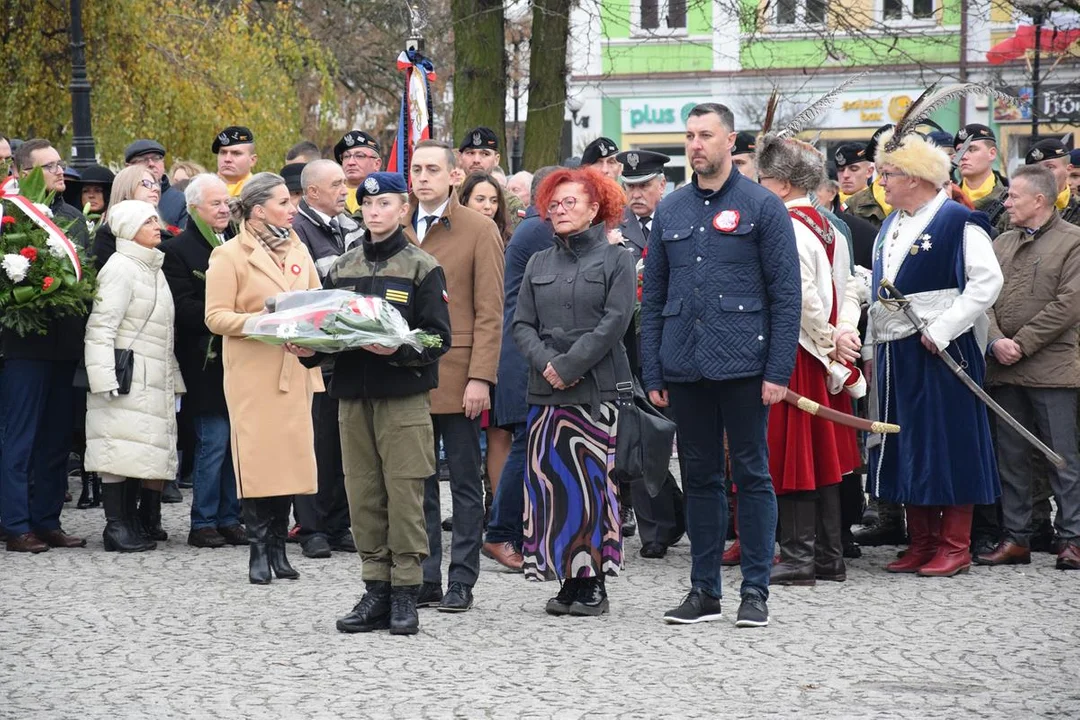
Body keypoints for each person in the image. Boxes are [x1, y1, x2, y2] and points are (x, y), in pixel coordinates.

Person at [640, 103, 801, 628]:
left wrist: (778, 371)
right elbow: (656, 294)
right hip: (685, 365)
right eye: (689, 136)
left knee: (752, 475)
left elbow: (786, 295)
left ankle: (755, 591)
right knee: (701, 477)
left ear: (730, 141)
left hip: (746, 365)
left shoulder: (762, 206)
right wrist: (654, 371)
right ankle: (703, 590)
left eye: (705, 135)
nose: (695, 145)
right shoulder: (672, 209)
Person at [296, 171, 451, 636]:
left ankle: (406, 591)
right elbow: (333, 334)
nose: (375, 212)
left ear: (404, 210)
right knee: (362, 496)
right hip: (352, 397)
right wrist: (309, 351)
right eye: (367, 205)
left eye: (385, 205)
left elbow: (439, 336)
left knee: (404, 495)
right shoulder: (342, 268)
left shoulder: (422, 266)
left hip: (402, 398)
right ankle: (375, 588)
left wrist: (399, 350)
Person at [866, 126, 1003, 578]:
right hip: (895, 351)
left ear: (914, 177)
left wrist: (943, 329)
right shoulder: (891, 223)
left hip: (942, 350)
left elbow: (987, 282)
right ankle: (921, 541)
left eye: (888, 173)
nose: (880, 182)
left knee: (949, 442)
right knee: (907, 441)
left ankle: (954, 544)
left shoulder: (957, 221)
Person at [512, 165, 636, 616]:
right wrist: (547, 364)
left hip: (595, 394)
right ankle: (568, 578)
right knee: (553, 489)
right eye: (554, 204)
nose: (560, 210)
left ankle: (594, 583)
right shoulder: (537, 262)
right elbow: (521, 322)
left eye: (570, 203)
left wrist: (569, 365)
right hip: (546, 394)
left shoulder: (617, 259)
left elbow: (615, 323)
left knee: (592, 491)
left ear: (595, 208)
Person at [204, 172, 322, 585]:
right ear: (259, 210)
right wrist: (263, 322)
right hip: (254, 372)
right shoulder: (230, 255)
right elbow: (215, 316)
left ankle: (278, 546)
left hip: (294, 368)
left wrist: (313, 334)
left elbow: (315, 302)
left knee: (290, 460)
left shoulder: (298, 249)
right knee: (258, 461)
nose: (292, 209)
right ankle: (257, 547)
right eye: (284, 202)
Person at [755, 134, 863, 586]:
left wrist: (827, 339)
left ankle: (800, 558)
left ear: (779, 183)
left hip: (799, 350)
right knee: (821, 452)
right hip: (823, 351)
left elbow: (802, 299)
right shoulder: (826, 224)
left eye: (761, 178)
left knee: (795, 453)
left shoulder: (788, 227)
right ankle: (828, 556)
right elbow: (849, 286)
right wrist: (845, 334)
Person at [404, 140, 505, 613]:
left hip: (460, 374)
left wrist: (481, 377)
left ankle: (461, 579)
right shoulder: (398, 226)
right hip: (405, 375)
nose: (423, 177)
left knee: (465, 483)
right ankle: (425, 576)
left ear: (453, 177)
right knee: (418, 481)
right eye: (416, 169)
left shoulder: (479, 229)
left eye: (432, 169)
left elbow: (490, 311)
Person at [976, 165, 1080, 571]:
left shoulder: (1073, 242)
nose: (1006, 202)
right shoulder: (1001, 242)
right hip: (1003, 368)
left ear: (1040, 199)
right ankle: (1015, 537)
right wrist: (994, 339)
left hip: (1052, 369)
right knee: (1011, 458)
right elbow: (982, 295)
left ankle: (1072, 538)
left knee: (1061, 457)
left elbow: (1069, 303)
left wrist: (1021, 343)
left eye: (1013, 196)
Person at [0, 139, 89, 553]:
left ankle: (47, 519)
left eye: (60, 164)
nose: (60, 171)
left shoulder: (71, 217)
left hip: (65, 343)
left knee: (56, 439)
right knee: (20, 438)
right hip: (23, 345)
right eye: (49, 166)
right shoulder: (9, 216)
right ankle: (15, 524)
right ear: (23, 173)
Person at [83, 200, 184, 552]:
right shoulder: (120, 268)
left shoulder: (151, 267)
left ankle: (130, 522)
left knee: (134, 449)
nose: (158, 225)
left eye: (156, 218)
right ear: (128, 229)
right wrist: (103, 378)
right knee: (116, 445)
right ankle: (116, 527)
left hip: (151, 374)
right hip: (125, 375)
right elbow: (100, 327)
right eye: (149, 221)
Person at [159, 174, 246, 549]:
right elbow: (182, 308)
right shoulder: (179, 250)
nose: (225, 208)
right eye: (216, 203)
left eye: (226, 202)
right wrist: (225, 311)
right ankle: (204, 521)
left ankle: (230, 517)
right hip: (204, 361)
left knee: (236, 444)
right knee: (214, 441)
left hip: (240, 358)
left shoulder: (239, 243)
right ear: (194, 208)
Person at [483, 166, 560, 571]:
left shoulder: (536, 227)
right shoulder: (540, 230)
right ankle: (500, 533)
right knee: (526, 445)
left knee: (532, 444)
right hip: (522, 355)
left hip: (522, 351)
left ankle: (521, 531)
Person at [613, 148, 686, 558]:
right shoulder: (613, 226)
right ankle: (656, 528)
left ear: (662, 184)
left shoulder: (678, 217)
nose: (637, 194)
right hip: (629, 347)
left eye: (644, 186)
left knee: (688, 436)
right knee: (639, 438)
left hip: (676, 342)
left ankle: (692, 514)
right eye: (630, 187)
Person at [291, 159, 363, 558]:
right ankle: (311, 526)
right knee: (315, 443)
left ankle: (338, 523)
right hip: (315, 356)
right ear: (313, 192)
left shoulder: (349, 225)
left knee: (340, 444)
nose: (344, 188)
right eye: (336, 183)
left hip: (345, 351)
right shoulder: (297, 230)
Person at [457, 127, 525, 228]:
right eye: (470, 153)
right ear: (460, 158)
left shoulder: (511, 204)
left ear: (496, 160)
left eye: (485, 154)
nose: (476, 160)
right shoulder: (448, 197)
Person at [124, 139, 189, 232]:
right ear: (128, 167)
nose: (151, 164)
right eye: (143, 160)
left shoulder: (181, 201)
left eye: (156, 158)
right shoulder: (121, 199)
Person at [954, 124, 1008, 228]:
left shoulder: (1012, 197)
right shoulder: (948, 197)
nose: (963, 157)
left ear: (992, 154)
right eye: (959, 151)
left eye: (972, 149)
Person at [1023, 139, 1080, 227]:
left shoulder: (1077, 209)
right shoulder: (1016, 211)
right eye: (1035, 169)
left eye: (1050, 167)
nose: (1042, 174)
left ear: (1068, 169)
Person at [335, 130, 383, 216]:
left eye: (359, 156)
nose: (351, 162)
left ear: (377, 164)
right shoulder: (329, 195)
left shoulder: (385, 196)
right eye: (346, 156)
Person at [460, 171, 512, 245]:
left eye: (494, 201)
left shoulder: (508, 241)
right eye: (480, 200)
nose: (488, 206)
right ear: (465, 201)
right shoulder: (451, 237)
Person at [214, 126, 258, 197]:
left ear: (252, 160)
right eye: (223, 152)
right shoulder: (200, 189)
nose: (227, 159)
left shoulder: (261, 193)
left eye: (236, 153)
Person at [834, 143, 873, 211]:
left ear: (869, 171)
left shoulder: (881, 203)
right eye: (840, 170)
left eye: (853, 169)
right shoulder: (826, 202)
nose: (845, 175)